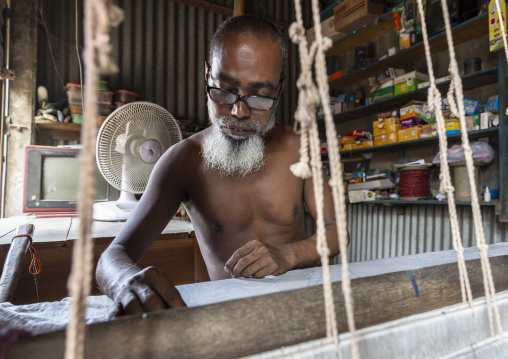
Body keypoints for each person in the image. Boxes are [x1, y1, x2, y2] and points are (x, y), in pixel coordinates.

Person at [96, 15, 346, 316]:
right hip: (232, 316)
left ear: (278, 90)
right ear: (207, 75)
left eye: (260, 96)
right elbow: (114, 255)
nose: (239, 112)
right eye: (225, 91)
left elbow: (336, 231)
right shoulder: (181, 162)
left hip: (302, 305)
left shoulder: (298, 146)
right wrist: (123, 280)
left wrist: (288, 255)